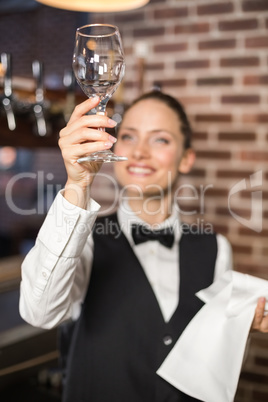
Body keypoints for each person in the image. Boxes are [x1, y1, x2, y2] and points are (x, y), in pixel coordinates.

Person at [19, 91, 268, 402]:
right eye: (128, 136)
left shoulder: (217, 249)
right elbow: (38, 312)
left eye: (160, 140)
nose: (139, 152)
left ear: (187, 158)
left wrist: (236, 329)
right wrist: (78, 185)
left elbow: (218, 373)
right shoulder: (82, 240)